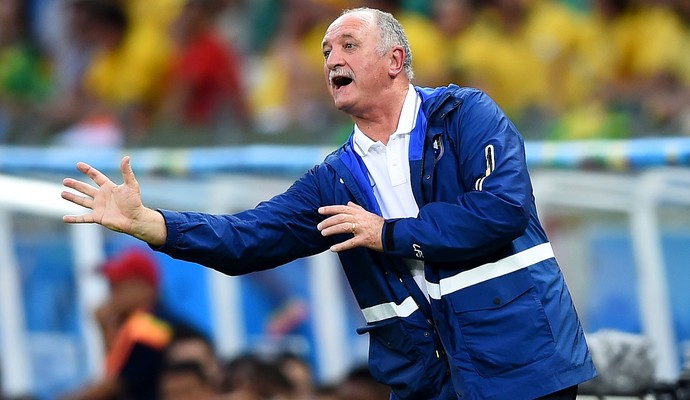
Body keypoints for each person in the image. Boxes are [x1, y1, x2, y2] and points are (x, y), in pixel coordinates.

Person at [61, 7, 597, 399]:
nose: (330, 60)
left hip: (526, 369)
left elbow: (502, 210)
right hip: (432, 385)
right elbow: (246, 239)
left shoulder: (466, 116)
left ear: (396, 60)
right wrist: (153, 223)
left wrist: (387, 232)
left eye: (346, 46)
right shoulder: (334, 179)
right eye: (324, 52)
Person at [60, 247, 174, 400]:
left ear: (144, 287)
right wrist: (106, 327)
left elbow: (116, 385)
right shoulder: (139, 322)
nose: (111, 294)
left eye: (117, 285)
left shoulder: (150, 326)